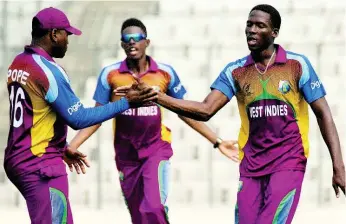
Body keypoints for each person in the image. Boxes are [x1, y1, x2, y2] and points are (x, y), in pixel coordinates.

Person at [122, 4, 346, 224]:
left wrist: (338, 167)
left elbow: (323, 113)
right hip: (251, 166)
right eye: (249, 24)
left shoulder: (297, 65)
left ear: (275, 33)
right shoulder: (236, 71)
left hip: (288, 162)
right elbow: (206, 110)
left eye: (260, 26)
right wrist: (156, 96)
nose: (252, 30)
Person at [68, 18, 238, 224]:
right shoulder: (110, 75)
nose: (132, 42)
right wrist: (73, 145)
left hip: (156, 149)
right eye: (127, 39)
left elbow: (184, 111)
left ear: (146, 42)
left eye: (137, 38)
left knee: (153, 207)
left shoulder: (164, 73)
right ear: (122, 44)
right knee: (139, 216)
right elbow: (98, 116)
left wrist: (217, 141)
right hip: (126, 155)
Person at [4, 8, 156, 224]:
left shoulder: (18, 63)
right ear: (54, 34)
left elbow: (35, 114)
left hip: (18, 157)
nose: (68, 40)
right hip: (40, 164)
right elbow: (79, 119)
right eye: (67, 34)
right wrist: (127, 102)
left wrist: (61, 145)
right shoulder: (49, 71)